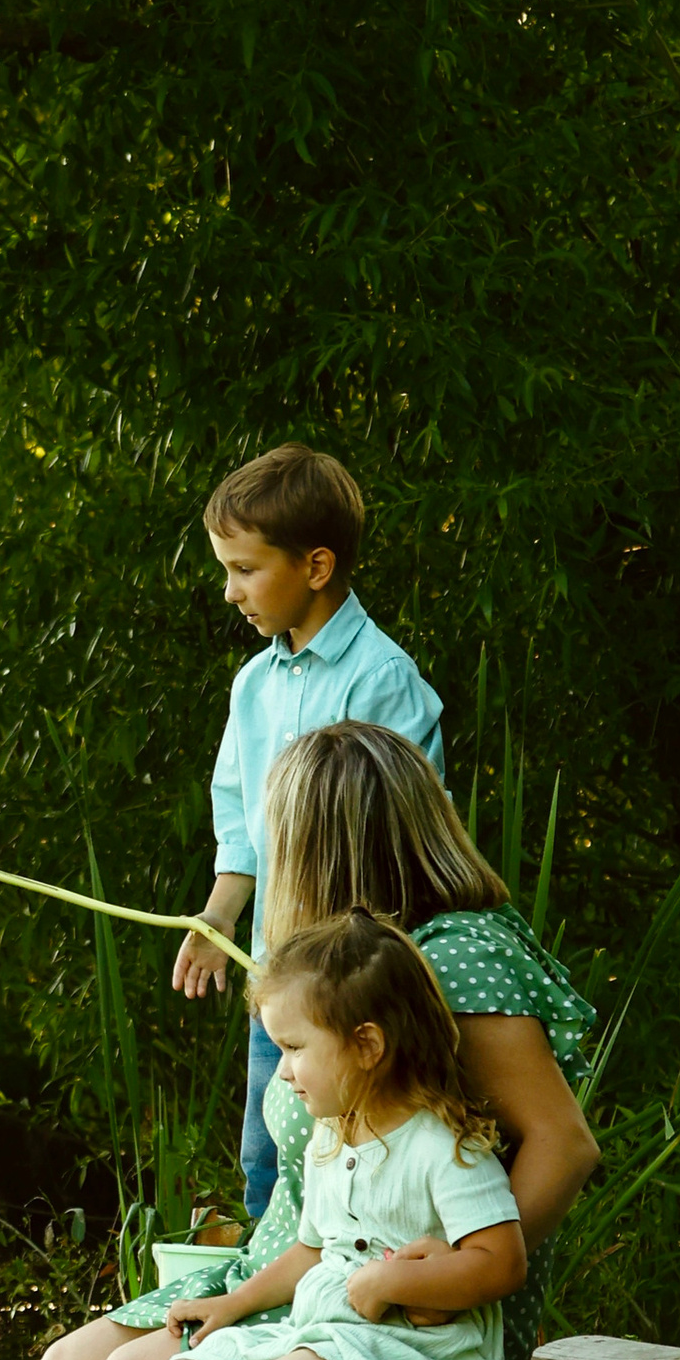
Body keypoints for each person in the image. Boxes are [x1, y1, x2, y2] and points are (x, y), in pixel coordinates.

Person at [21, 720, 597, 1360]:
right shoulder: (334, 964)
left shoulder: (445, 959)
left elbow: (563, 1143)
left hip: (396, 1309)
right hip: (296, 1267)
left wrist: (454, 1279)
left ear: (322, 845)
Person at [119, 912, 528, 1360]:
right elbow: (310, 1251)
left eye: (294, 1049)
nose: (283, 1071)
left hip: (419, 1347)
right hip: (327, 1332)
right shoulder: (330, 1139)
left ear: (366, 1045)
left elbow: (502, 1263)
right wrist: (233, 1306)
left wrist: (395, 1282)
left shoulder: (445, 1149)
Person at [174, 446, 445, 1230]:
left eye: (245, 570)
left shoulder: (382, 679)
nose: (230, 591)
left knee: (354, 1162)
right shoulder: (253, 686)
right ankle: (274, 1293)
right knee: (267, 1162)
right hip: (279, 979)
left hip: (357, 987)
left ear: (316, 566)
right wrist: (219, 915)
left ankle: (347, 1292)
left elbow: (403, 830)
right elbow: (241, 816)